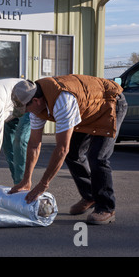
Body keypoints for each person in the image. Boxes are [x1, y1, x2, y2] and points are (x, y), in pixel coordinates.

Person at [9, 75, 127, 225]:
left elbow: (61, 148)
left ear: (36, 101)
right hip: (87, 110)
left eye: (26, 108)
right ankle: (90, 195)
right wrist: (26, 180)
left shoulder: (62, 101)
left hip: (109, 103)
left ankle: (106, 208)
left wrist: (43, 184)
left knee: (97, 157)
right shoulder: (37, 106)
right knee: (74, 153)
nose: (26, 112)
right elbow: (33, 145)